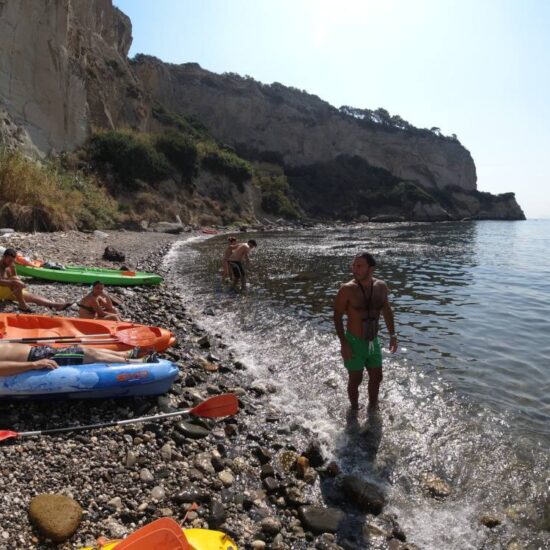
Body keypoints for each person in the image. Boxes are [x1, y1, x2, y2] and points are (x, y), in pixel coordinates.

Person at [333, 252, 398, 412]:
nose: (355, 269)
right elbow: (337, 317)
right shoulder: (347, 289)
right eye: (354, 265)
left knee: (377, 377)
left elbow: (387, 311)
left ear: (371, 268)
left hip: (373, 340)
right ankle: (354, 410)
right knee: (356, 379)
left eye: (360, 266)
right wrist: (344, 343)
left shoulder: (381, 287)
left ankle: (372, 408)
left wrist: (393, 335)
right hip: (354, 342)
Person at [0, 343, 157, 377]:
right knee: (86, 354)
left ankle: (125, 354)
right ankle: (138, 363)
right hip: (35, 357)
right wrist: (33, 365)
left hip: (38, 350)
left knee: (81, 348)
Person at [0, 248, 73, 313]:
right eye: (9, 260)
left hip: (9, 289)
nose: (10, 262)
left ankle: (56, 305)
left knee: (33, 297)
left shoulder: (11, 265)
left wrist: (19, 282)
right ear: (4, 257)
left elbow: (15, 277)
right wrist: (15, 282)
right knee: (15, 280)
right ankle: (22, 305)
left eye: (12, 261)